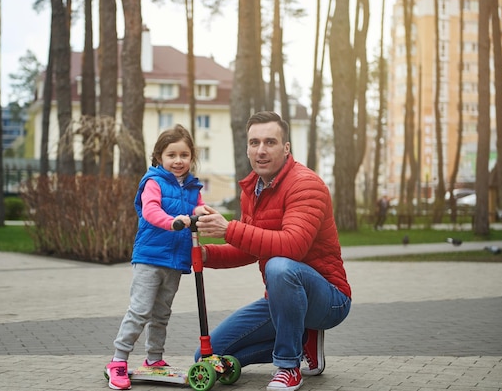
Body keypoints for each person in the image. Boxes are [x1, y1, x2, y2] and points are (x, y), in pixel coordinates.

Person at [195, 111, 351, 391]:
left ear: (286, 148)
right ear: (247, 148)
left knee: (278, 266)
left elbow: (293, 246)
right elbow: (249, 248)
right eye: (254, 143)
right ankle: (303, 341)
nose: (261, 150)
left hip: (329, 298)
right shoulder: (252, 190)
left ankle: (289, 367)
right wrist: (205, 255)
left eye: (270, 142)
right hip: (283, 298)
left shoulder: (306, 184)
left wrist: (228, 229)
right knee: (208, 356)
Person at [106, 124, 209, 390]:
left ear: (191, 157)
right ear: (159, 157)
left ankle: (154, 360)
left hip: (175, 261)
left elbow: (195, 207)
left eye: (184, 155)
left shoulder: (192, 186)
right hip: (150, 258)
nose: (178, 160)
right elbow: (150, 210)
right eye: (171, 155)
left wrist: (203, 210)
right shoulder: (153, 182)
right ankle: (118, 360)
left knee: (162, 313)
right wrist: (172, 221)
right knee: (140, 311)